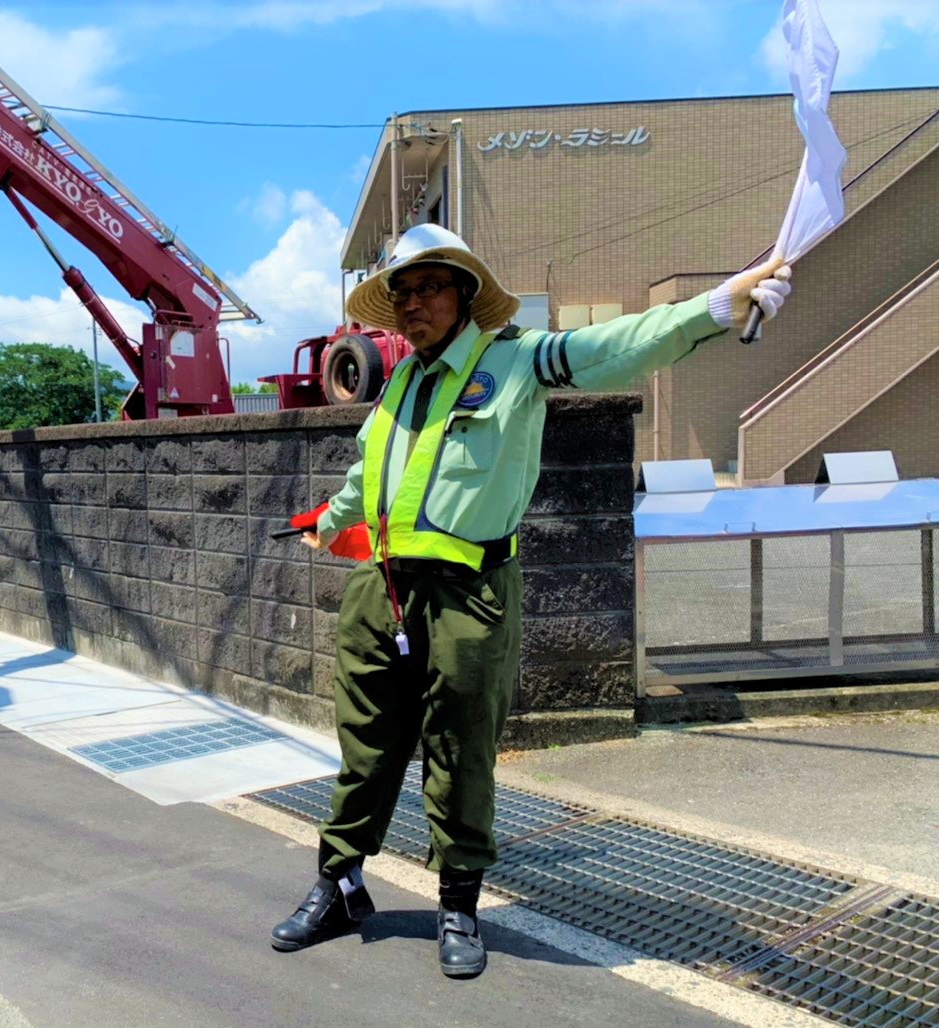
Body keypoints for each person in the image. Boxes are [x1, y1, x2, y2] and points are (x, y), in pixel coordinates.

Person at [270, 223, 791, 977]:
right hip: (381, 590)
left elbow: (614, 346)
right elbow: (368, 474)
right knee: (367, 747)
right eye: (403, 293)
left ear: (465, 295)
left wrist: (714, 307)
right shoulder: (402, 385)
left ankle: (458, 903)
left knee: (460, 749)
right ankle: (341, 882)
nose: (414, 304)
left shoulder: (515, 362)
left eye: (430, 287)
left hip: (468, 592)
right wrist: (330, 519)